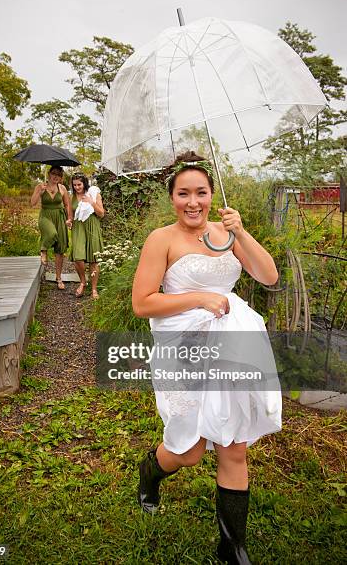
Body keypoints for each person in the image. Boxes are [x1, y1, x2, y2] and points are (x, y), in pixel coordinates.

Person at [132, 151, 282, 564]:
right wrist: (199, 297)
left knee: (234, 446)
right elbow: (142, 304)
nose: (192, 202)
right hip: (182, 350)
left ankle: (231, 548)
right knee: (189, 450)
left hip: (230, 346)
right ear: (173, 198)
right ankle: (150, 472)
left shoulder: (226, 232)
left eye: (200, 192)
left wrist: (243, 234)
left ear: (212, 195)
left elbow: (268, 276)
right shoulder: (161, 239)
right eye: (184, 194)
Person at [30, 165, 72, 290]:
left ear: (61, 177)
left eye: (59, 174)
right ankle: (43, 250)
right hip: (46, 216)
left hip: (59, 217)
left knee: (60, 249)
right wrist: (39, 192)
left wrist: (69, 219)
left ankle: (58, 278)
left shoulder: (62, 188)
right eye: (54, 173)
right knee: (51, 233)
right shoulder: (40, 186)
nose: (56, 176)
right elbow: (32, 203)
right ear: (49, 174)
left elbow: (67, 205)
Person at [69, 173, 104, 299]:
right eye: (74, 185)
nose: (77, 187)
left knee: (93, 259)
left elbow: (101, 213)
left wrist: (91, 202)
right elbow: (70, 216)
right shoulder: (71, 197)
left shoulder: (93, 193)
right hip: (78, 227)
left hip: (92, 226)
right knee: (78, 257)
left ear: (84, 183)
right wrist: (69, 221)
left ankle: (94, 289)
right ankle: (83, 282)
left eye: (79, 184)